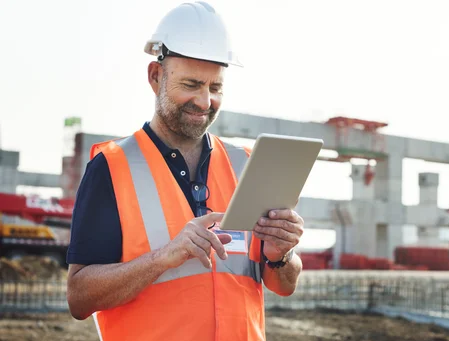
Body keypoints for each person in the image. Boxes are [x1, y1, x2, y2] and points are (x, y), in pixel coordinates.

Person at [65, 2, 304, 340]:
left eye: (215, 87)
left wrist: (282, 256)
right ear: (155, 76)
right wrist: (163, 258)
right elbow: (79, 298)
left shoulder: (247, 165)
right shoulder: (112, 167)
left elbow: (283, 285)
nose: (205, 102)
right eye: (191, 84)